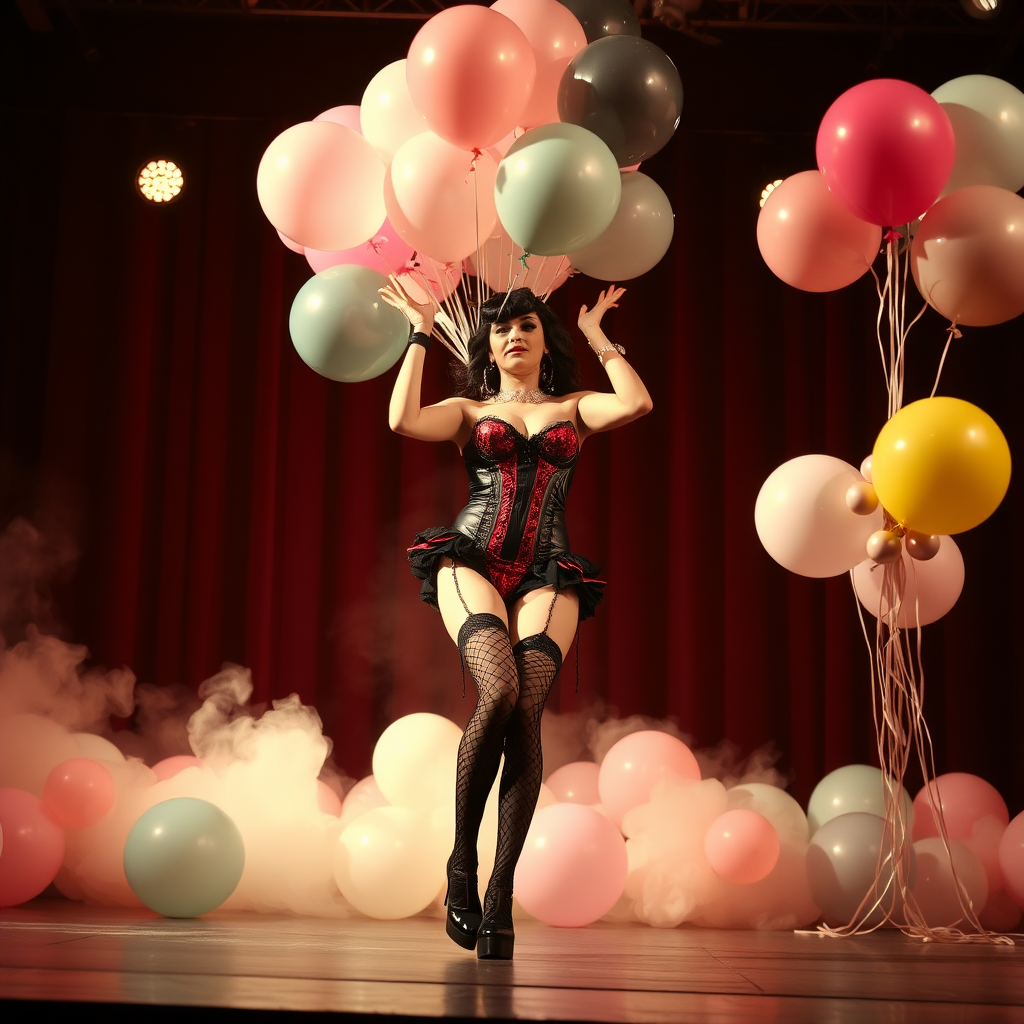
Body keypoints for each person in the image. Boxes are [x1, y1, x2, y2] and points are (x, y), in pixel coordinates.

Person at [379, 277, 652, 959]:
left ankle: (500, 894)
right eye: (502, 328)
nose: (514, 335)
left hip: (546, 569)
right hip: (470, 557)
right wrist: (418, 331)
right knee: (497, 690)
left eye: (527, 325)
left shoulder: (575, 406)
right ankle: (462, 867)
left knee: (525, 711)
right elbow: (401, 420)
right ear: (491, 348)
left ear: (542, 341)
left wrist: (597, 335)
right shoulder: (469, 412)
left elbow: (639, 401)